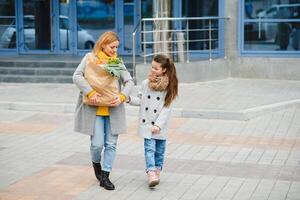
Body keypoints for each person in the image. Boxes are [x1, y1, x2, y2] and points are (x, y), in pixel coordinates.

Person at [72, 31, 134, 190]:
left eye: (117, 47)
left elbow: (129, 81)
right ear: (103, 44)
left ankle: (105, 176)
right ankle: (96, 164)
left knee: (111, 144)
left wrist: (122, 96)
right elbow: (77, 76)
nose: (115, 50)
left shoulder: (115, 63)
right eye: (112, 47)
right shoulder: (89, 58)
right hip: (95, 110)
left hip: (114, 109)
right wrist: (90, 92)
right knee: (97, 145)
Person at [127, 54, 178, 187]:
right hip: (147, 124)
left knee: (160, 151)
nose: (152, 70)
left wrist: (158, 125)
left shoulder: (169, 87)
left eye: (156, 68)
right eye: (152, 67)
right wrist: (128, 99)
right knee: (149, 149)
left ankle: (157, 171)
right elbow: (141, 100)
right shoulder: (145, 83)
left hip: (160, 125)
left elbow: (166, 108)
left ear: (164, 70)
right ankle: (151, 172)